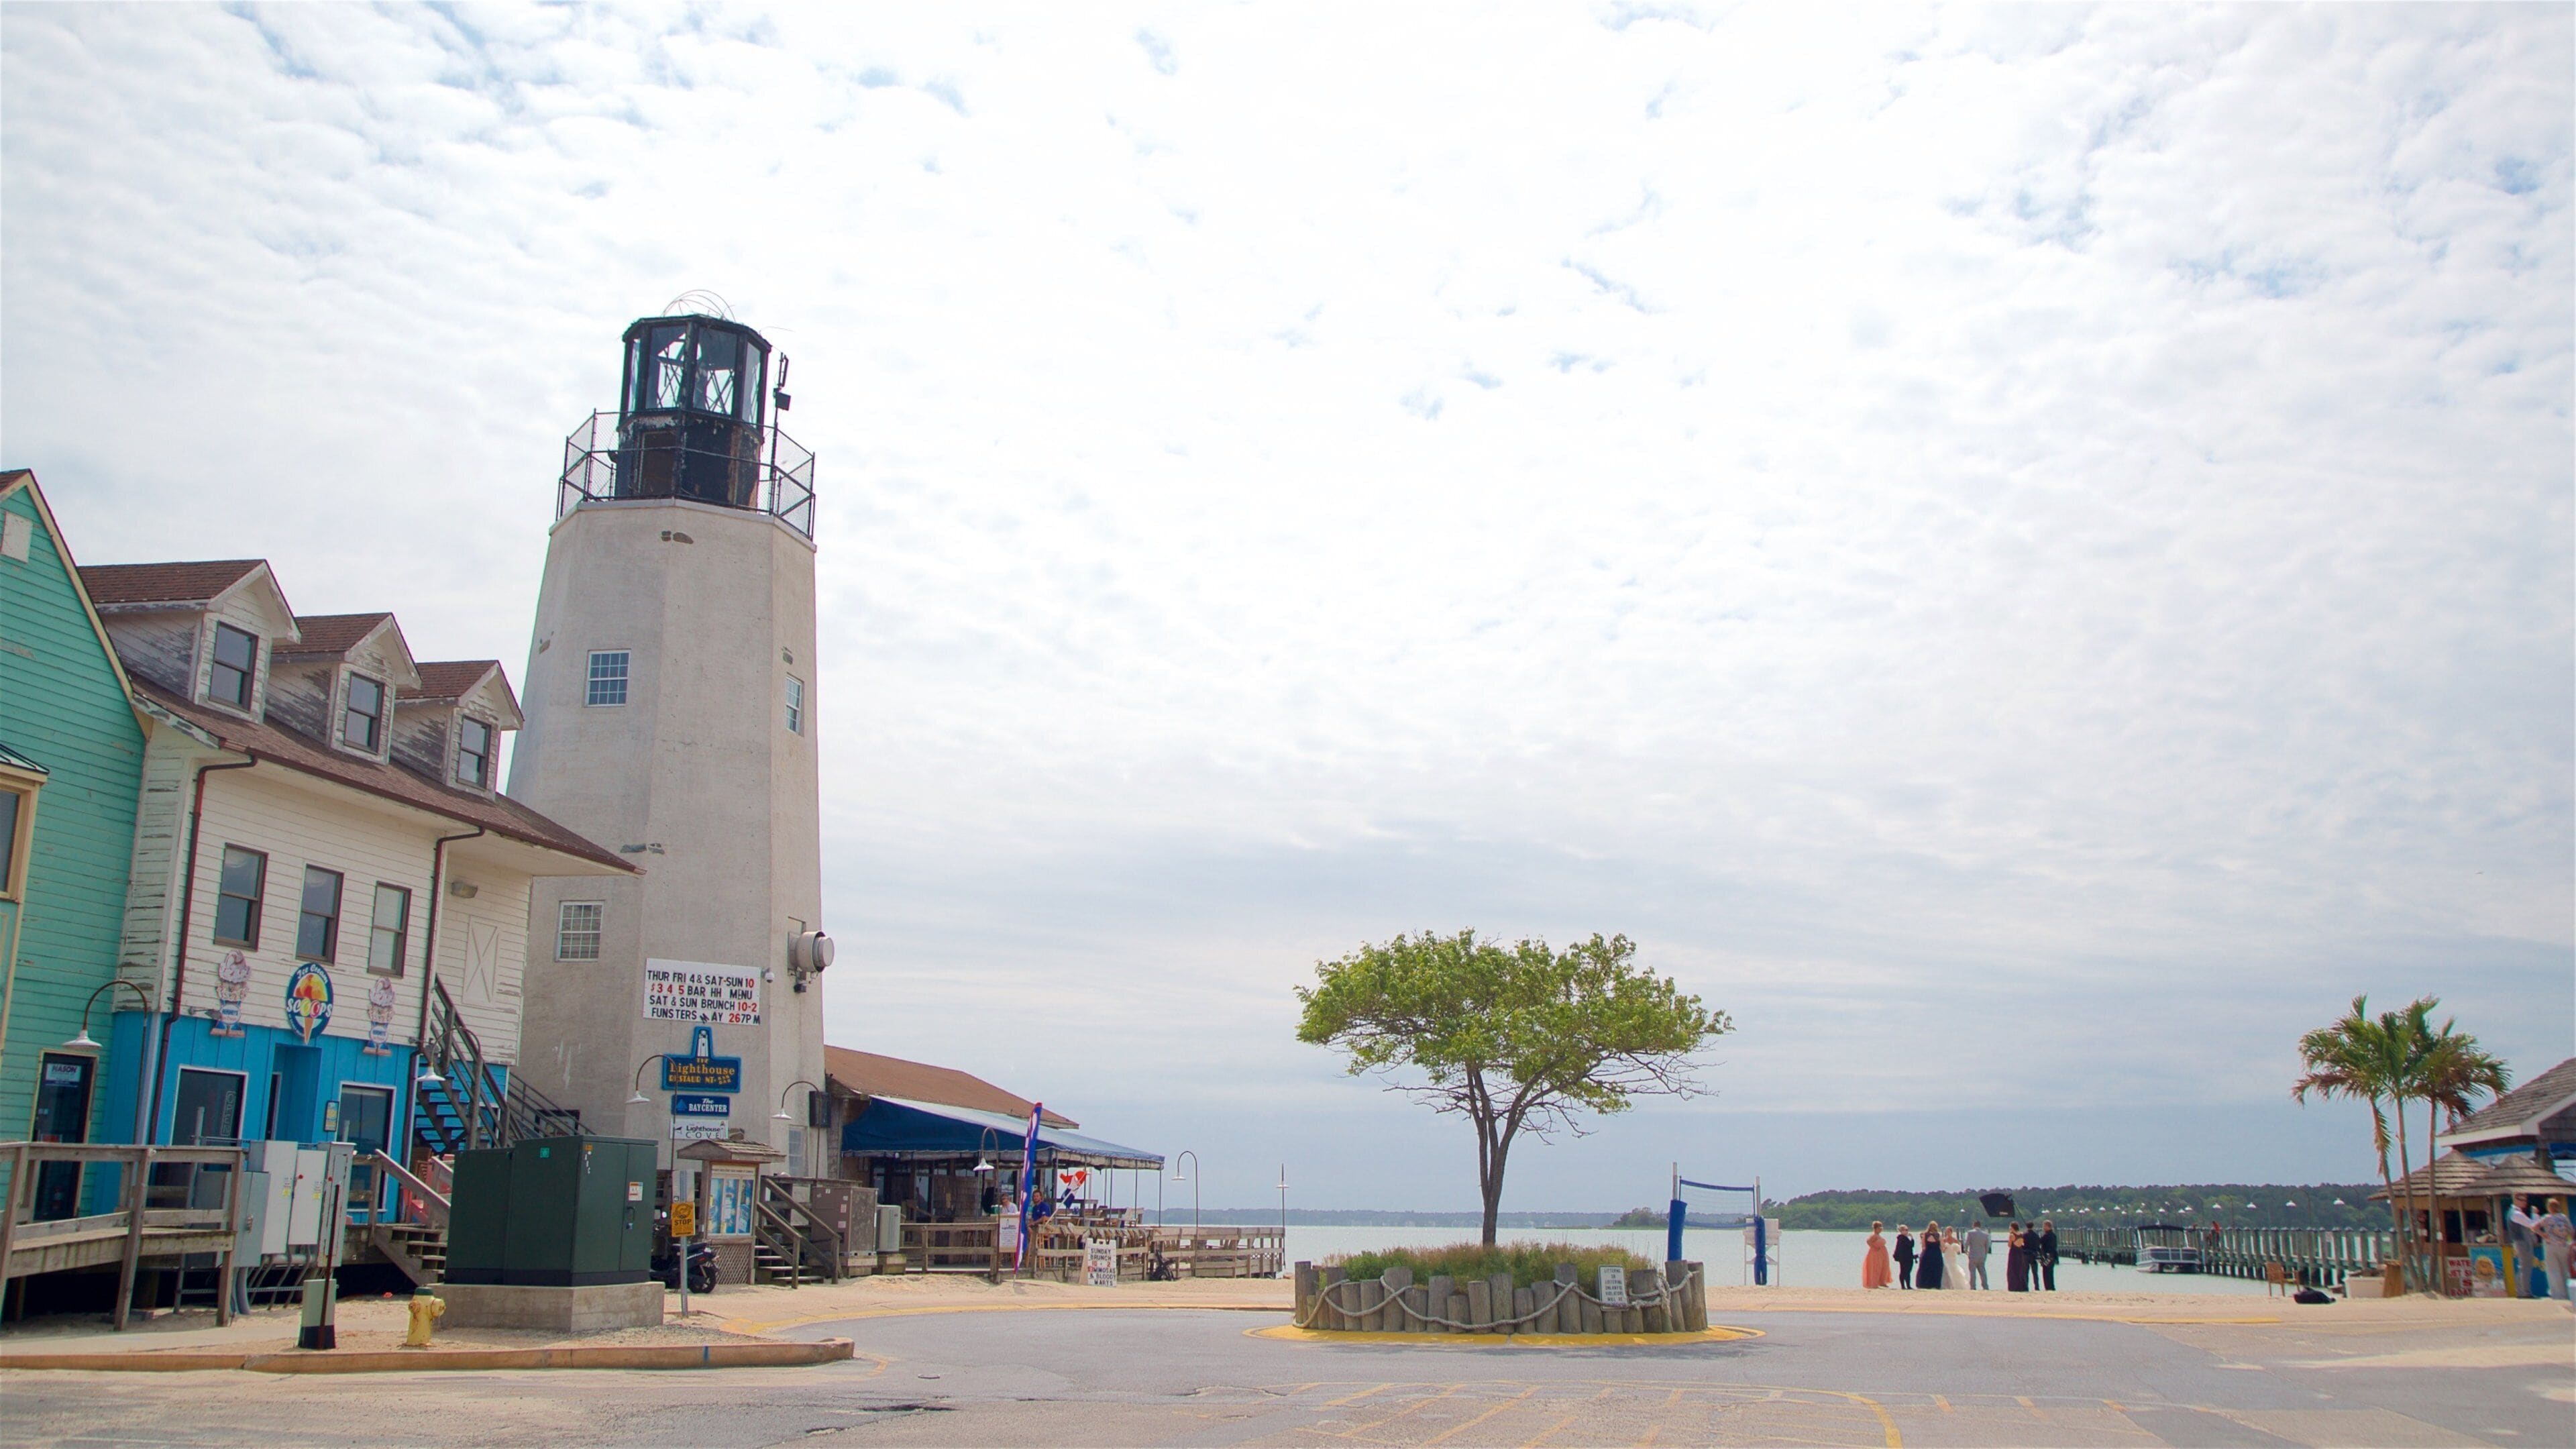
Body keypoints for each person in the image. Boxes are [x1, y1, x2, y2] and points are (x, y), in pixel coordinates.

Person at [1862, 1221, 1894, 1289]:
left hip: (1882, 1253)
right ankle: (1874, 1284)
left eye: (1881, 1228)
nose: (1881, 1229)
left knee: (1884, 1267)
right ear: (1875, 1228)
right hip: (1876, 1254)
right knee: (1876, 1268)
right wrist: (1874, 1247)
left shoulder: (1878, 1235)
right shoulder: (1873, 1235)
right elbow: (1868, 1241)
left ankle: (1882, 1282)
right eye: (1879, 1228)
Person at [1916, 1219, 1945, 1289]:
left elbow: (1923, 1246)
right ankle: (1936, 1285)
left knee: (1926, 1270)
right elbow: (1942, 1247)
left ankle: (1925, 1284)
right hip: (1937, 1255)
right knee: (1937, 1270)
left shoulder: (1925, 1235)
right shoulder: (1939, 1236)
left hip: (1927, 1254)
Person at [1964, 1221, 1991, 1289]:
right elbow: (1987, 1247)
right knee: (1983, 1272)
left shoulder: (1970, 1233)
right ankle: (1985, 1287)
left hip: (1973, 1255)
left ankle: (1973, 1287)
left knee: (1973, 1273)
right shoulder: (1986, 1235)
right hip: (1982, 1256)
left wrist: (1966, 1251)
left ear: (1973, 1225)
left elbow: (1967, 1244)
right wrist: (1985, 1255)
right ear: (1980, 1226)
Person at [2005, 1222, 2030, 1292]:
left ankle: (2013, 1286)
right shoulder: (2021, 1234)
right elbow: (2021, 1243)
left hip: (2013, 1253)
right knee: (2020, 1269)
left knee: (2012, 1269)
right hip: (2020, 1253)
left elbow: (2009, 1245)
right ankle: (2022, 1286)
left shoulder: (2012, 1235)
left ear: (2012, 1227)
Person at [1892, 1225, 1917, 1289]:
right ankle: (1907, 1286)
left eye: (1907, 1230)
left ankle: (1903, 1286)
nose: (1907, 1231)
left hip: (1903, 1258)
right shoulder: (1903, 1238)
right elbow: (1911, 1245)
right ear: (1901, 1231)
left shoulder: (1900, 1238)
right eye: (1905, 1230)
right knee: (1907, 1272)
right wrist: (1912, 1238)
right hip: (1906, 1258)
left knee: (1903, 1271)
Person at [2038, 1218, 2059, 1291]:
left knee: (2046, 1272)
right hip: (2052, 1256)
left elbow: (2040, 1242)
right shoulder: (2053, 1235)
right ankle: (2051, 1287)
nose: (2043, 1228)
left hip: (2048, 1257)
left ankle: (2048, 1288)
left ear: (2047, 1226)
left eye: (2044, 1226)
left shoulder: (2047, 1236)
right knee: (2050, 1272)